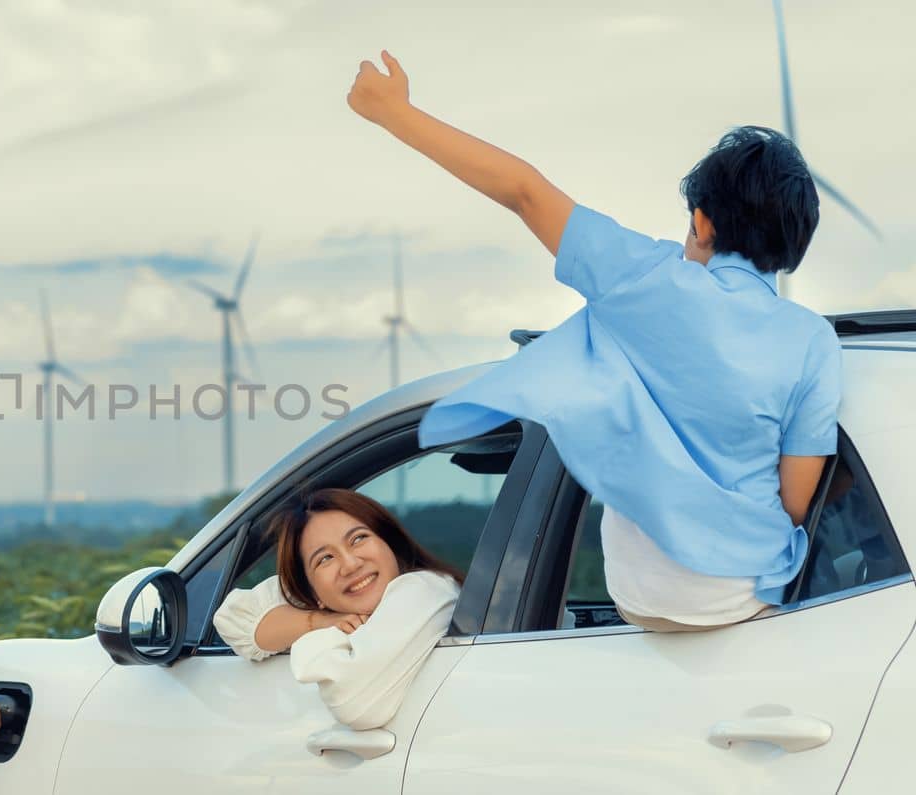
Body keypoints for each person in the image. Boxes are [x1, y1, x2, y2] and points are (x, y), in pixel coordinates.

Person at [345, 50, 841, 631]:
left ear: (703, 222)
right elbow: (795, 504)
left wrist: (394, 114)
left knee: (610, 336)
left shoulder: (645, 277)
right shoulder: (814, 342)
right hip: (743, 600)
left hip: (642, 596)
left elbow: (524, 191)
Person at [212, 489, 462, 730]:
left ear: (390, 543)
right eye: (325, 559)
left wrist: (323, 637)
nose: (350, 565)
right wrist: (322, 620)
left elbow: (353, 702)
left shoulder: (425, 590)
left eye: (358, 539)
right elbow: (233, 618)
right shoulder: (337, 605)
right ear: (312, 593)